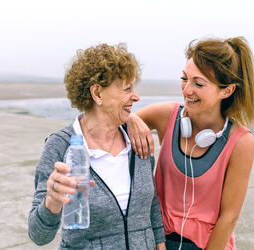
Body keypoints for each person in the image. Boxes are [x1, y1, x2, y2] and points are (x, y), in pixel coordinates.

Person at [28, 43, 166, 249]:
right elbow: (38, 236)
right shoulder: (61, 146)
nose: (136, 96)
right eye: (127, 88)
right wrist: (52, 202)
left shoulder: (138, 140)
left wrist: (160, 245)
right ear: (97, 94)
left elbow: (152, 204)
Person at [127, 37, 254, 249]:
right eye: (184, 78)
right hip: (157, 242)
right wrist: (131, 118)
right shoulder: (166, 115)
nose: (187, 90)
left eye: (198, 83)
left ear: (227, 91)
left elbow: (229, 218)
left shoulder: (240, 142)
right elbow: (110, 124)